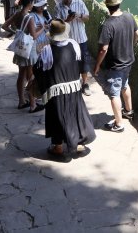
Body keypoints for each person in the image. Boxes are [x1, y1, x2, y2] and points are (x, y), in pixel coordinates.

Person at [40, 19, 96, 161]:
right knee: (75, 114)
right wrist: (84, 82)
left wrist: (42, 89)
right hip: (74, 88)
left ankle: (58, 147)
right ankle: (78, 144)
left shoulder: (47, 51)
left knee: (57, 117)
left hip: (56, 92)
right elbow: (83, 65)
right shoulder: (74, 45)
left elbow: (40, 71)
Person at [93, 0, 138, 132]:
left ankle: (118, 124)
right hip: (129, 60)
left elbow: (103, 49)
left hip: (116, 65)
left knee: (114, 94)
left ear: (107, 6)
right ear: (119, 4)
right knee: (125, 85)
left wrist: (97, 65)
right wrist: (131, 46)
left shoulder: (108, 24)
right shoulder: (129, 16)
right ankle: (128, 111)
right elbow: (137, 34)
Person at [12, 0, 50, 112]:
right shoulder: (29, 17)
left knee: (21, 76)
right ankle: (33, 104)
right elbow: (34, 36)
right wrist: (43, 28)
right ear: (30, 3)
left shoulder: (18, 14)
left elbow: (5, 26)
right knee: (31, 76)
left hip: (21, 47)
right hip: (29, 49)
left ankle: (22, 101)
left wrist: (18, 33)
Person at [56, 0, 92, 95]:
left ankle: (85, 84)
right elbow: (57, 25)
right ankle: (73, 83)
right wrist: (67, 20)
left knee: (84, 62)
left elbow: (87, 18)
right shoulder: (58, 7)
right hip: (68, 40)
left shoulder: (80, 3)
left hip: (81, 39)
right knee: (69, 62)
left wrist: (79, 15)